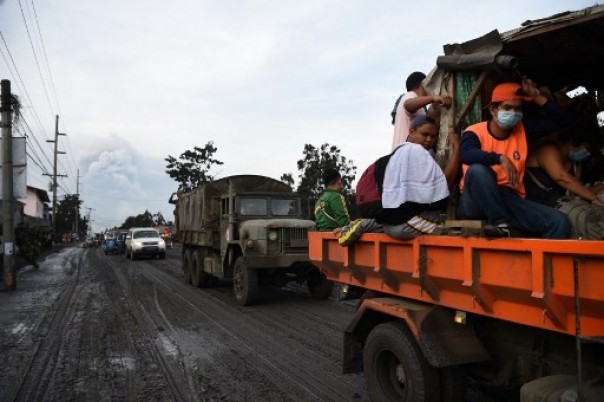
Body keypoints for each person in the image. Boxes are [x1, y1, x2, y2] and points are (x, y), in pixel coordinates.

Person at [458, 78, 571, 238]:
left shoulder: (523, 130)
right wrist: (500, 158)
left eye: (517, 109)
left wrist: (537, 97)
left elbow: (562, 121)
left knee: (559, 222)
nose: (513, 113)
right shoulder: (475, 131)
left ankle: (540, 262)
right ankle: (500, 224)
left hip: (507, 198)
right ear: (493, 110)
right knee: (478, 170)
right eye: (507, 108)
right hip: (475, 200)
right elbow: (466, 155)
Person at [524, 132, 604, 239]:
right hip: (539, 205)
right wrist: (593, 198)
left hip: (561, 204)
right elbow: (561, 177)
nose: (587, 153)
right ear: (572, 143)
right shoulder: (548, 150)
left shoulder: (575, 165)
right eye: (586, 149)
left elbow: (576, 192)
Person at [392, 71, 452, 150]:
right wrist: (433, 98)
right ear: (424, 84)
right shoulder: (410, 95)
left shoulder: (421, 108)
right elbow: (408, 104)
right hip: (406, 153)